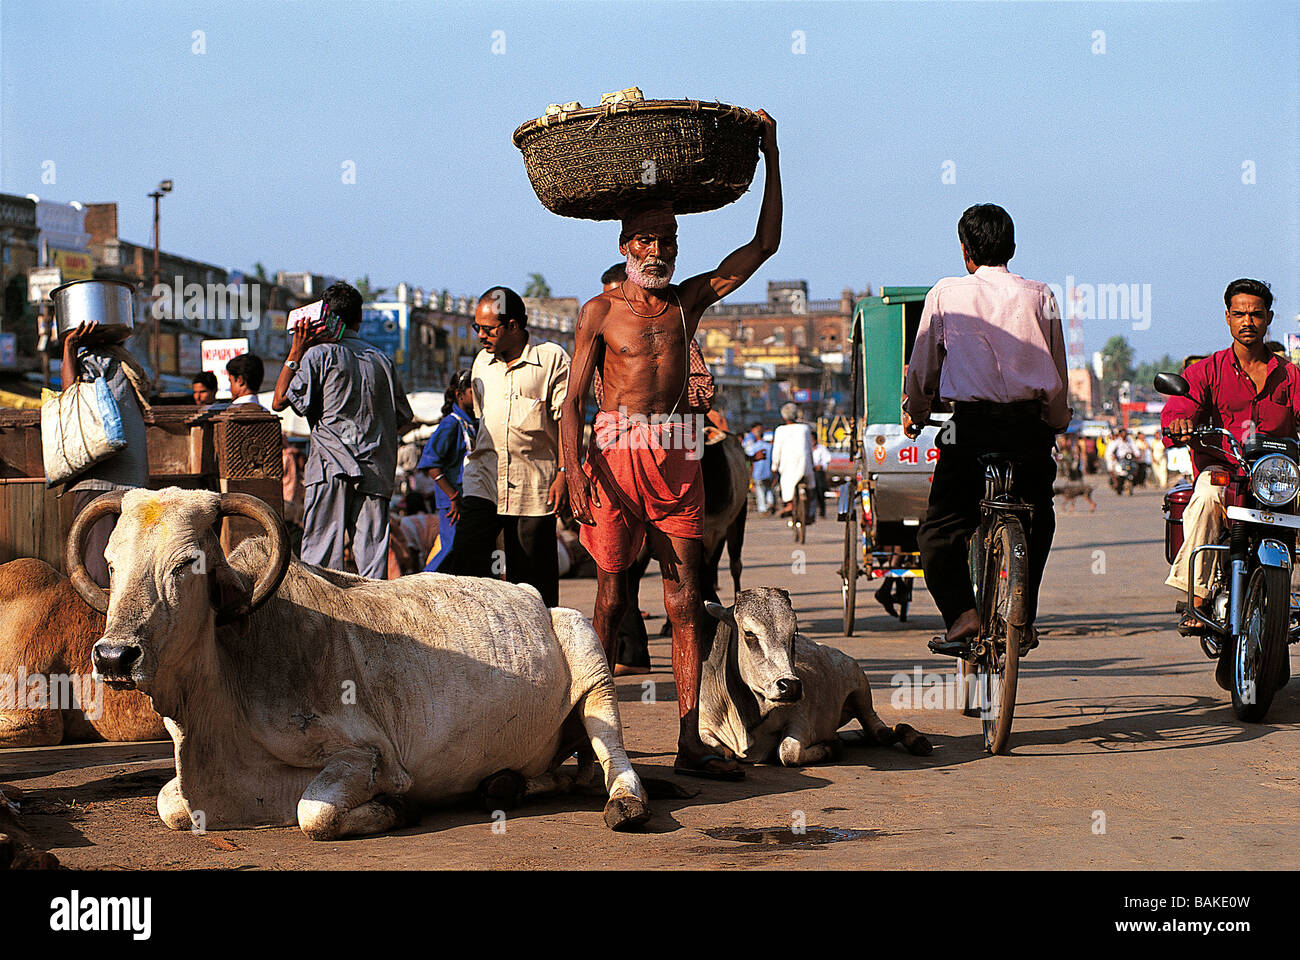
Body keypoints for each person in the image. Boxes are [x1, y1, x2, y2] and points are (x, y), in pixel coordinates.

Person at [562, 109, 780, 781]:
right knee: (608, 598)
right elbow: (572, 401)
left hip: (677, 451)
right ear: (627, 247)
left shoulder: (689, 303)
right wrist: (573, 470)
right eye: (646, 241)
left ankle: (689, 738)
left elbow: (763, 246)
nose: (657, 251)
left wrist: (774, 154)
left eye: (667, 240)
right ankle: (589, 734)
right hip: (614, 455)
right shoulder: (600, 312)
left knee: (684, 594)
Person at [903, 203, 1069, 656]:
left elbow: (923, 370)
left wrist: (914, 413)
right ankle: (1025, 616)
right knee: (1039, 516)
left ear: (965, 251)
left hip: (969, 429)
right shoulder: (1041, 295)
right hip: (1028, 429)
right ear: (1011, 247)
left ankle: (962, 614)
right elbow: (1057, 368)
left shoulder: (946, 293)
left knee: (939, 530)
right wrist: (1056, 420)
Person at [1163, 279, 1296, 640]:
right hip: (1225, 472)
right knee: (1206, 495)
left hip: (1276, 477)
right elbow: (1180, 407)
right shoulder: (1206, 371)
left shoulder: (1290, 376)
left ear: (1269, 318)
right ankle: (1198, 594)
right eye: (1240, 314)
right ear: (1227, 317)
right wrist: (1180, 423)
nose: (1247, 321)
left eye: (1256, 314)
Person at [271, 281, 413, 579]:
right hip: (375, 469)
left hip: (330, 468)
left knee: (321, 560)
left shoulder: (318, 355)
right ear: (359, 321)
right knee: (373, 564)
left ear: (325, 317)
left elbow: (279, 399)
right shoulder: (383, 360)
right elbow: (403, 418)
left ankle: (324, 624)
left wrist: (297, 349)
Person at [447, 287, 570, 606]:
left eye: (488, 329)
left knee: (533, 583)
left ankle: (540, 649)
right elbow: (483, 420)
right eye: (476, 328)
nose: (480, 335)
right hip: (484, 480)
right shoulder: (481, 364)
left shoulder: (551, 358)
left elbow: (566, 422)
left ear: (514, 326)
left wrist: (564, 472)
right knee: (464, 567)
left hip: (533, 486)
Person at [61, 319, 151, 588]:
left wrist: (69, 347)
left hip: (99, 477)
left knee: (96, 569)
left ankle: (96, 622)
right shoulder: (130, 364)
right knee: (129, 560)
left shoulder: (94, 360)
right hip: (132, 478)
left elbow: (70, 396)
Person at [418, 368, 477, 573]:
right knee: (449, 547)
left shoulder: (472, 424)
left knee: (464, 551)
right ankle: (423, 588)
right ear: (460, 395)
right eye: (473, 390)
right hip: (453, 501)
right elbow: (431, 463)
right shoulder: (451, 424)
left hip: (468, 498)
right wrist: (452, 495)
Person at [771, 402, 815, 522]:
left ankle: (789, 504)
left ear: (784, 416)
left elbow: (777, 450)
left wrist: (774, 466)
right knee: (810, 486)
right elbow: (810, 448)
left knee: (786, 482)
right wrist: (812, 464)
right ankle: (810, 511)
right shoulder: (805, 428)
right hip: (805, 463)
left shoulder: (780, 430)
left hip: (788, 464)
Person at [742, 422, 774, 513]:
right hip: (769, 472)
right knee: (768, 489)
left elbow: (751, 462)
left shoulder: (753, 447)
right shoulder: (770, 446)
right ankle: (770, 502)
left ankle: (763, 508)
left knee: (760, 491)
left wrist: (750, 475)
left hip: (758, 473)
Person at [812, 437, 832, 518]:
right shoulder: (807, 448)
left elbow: (827, 459)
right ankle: (811, 513)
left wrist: (821, 466)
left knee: (820, 492)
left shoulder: (822, 449)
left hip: (819, 473)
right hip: (810, 472)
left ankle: (822, 512)